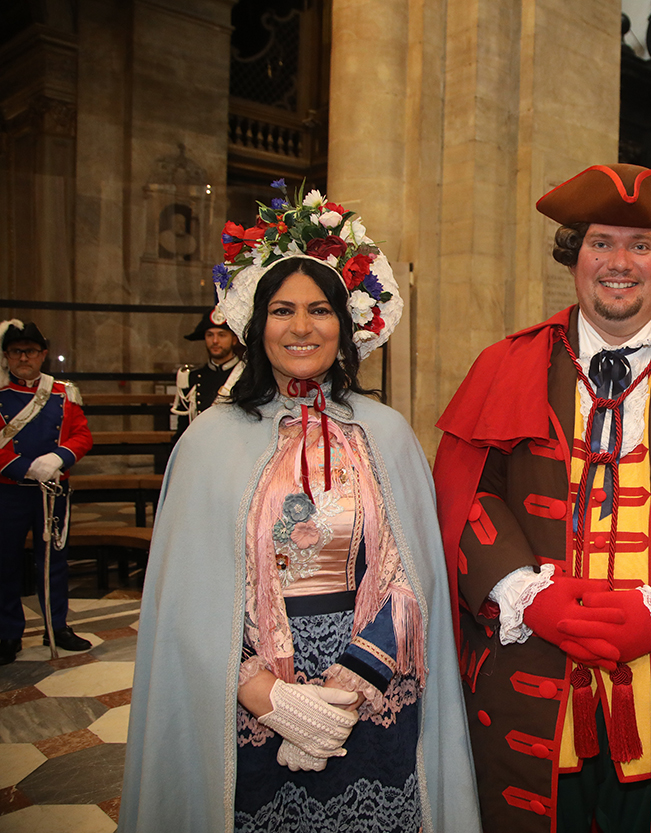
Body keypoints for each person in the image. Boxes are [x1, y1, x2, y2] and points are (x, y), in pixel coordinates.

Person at [434, 163, 651, 832]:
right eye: (601, 242)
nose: (619, 262)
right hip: (529, 694)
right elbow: (462, 497)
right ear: (574, 256)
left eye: (640, 245)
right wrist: (524, 591)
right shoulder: (504, 365)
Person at [120, 185, 479, 833]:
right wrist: (266, 693)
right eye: (282, 310)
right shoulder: (210, 441)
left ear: (346, 324)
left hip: (372, 697)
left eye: (319, 309)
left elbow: (412, 579)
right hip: (250, 706)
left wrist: (346, 686)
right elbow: (186, 601)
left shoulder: (387, 433)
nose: (302, 326)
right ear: (256, 324)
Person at [1, 320, 93, 665]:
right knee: (4, 562)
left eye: (30, 351)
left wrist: (58, 457)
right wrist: (26, 468)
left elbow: (82, 436)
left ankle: (57, 627)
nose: (24, 357)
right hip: (9, 491)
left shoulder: (62, 393)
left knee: (53, 562)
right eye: (16, 351)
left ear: (43, 355)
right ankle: (7, 632)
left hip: (53, 491)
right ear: (7, 356)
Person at [171, 304, 241, 437]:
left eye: (222, 335)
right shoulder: (191, 378)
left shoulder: (248, 375)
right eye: (210, 335)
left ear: (234, 339)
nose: (215, 341)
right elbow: (182, 431)